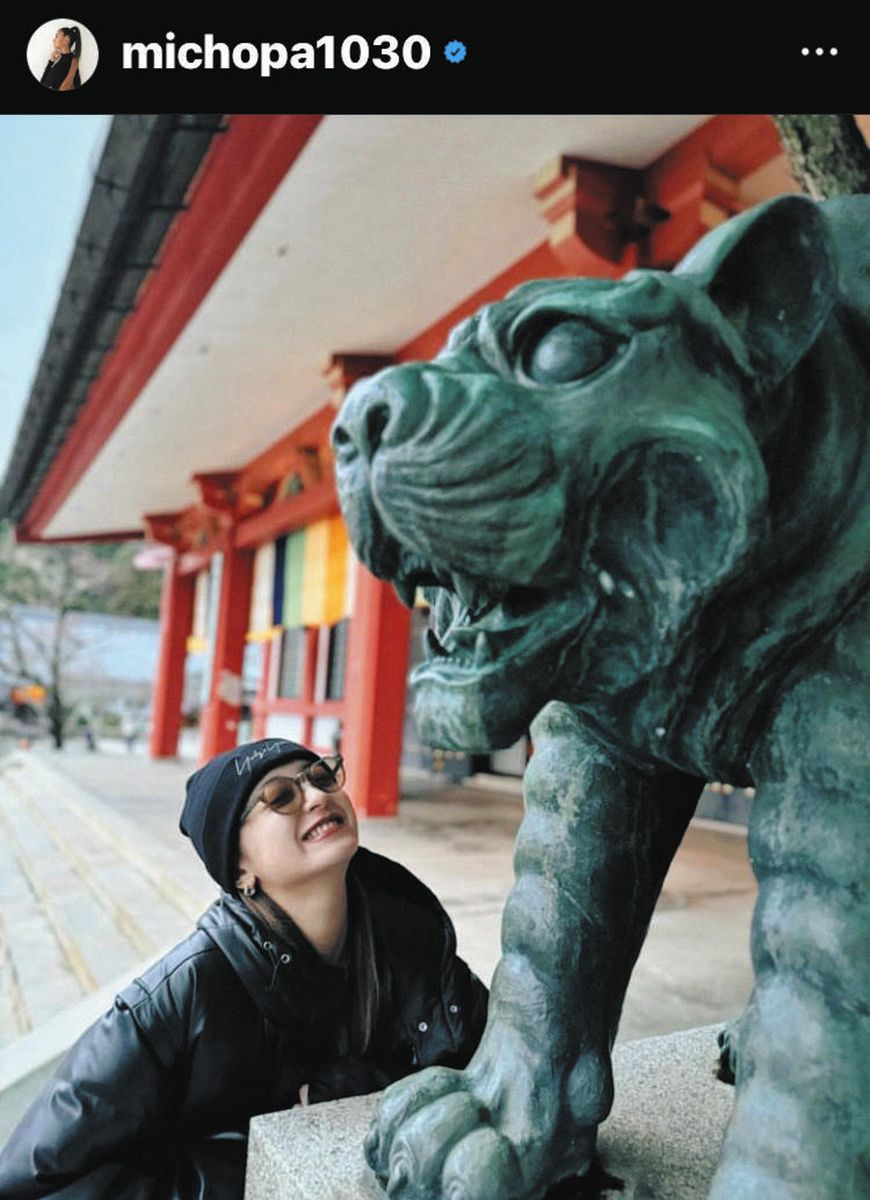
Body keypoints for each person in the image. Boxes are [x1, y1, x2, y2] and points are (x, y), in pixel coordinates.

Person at [0, 738, 488, 1198]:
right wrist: (258, 1156)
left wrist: (359, 1088)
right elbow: (40, 1180)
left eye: (320, 776)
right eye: (280, 797)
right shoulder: (182, 995)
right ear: (239, 870)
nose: (316, 795)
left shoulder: (413, 936)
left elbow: (489, 1063)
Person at [39, 27, 81, 92]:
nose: (53, 40)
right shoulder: (73, 61)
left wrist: (50, 62)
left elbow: (43, 83)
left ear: (66, 39)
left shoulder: (62, 64)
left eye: (57, 36)